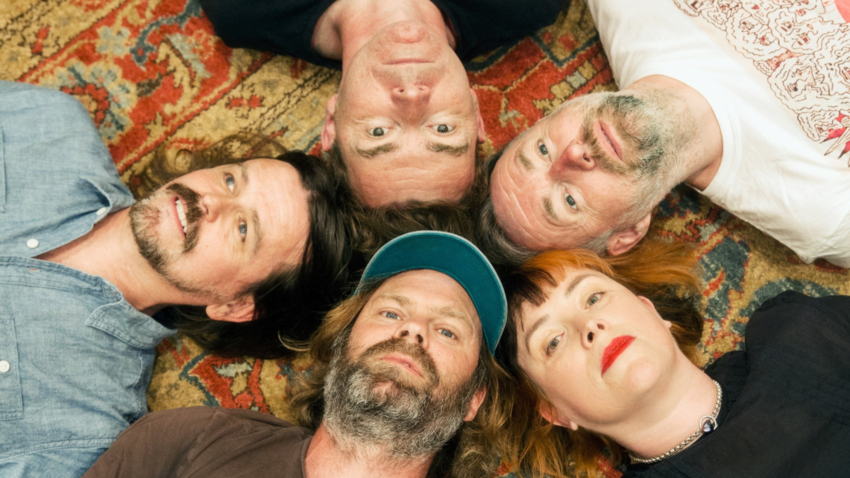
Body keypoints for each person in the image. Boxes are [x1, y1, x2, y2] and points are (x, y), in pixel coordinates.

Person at [0, 81, 348, 477]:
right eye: (232, 180)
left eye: (243, 230)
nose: (212, 200)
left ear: (234, 305)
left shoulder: (84, 430)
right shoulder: (47, 121)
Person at [82, 231, 512, 478]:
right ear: (341, 346)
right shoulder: (192, 437)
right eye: (390, 311)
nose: (412, 330)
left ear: (474, 400)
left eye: (447, 330)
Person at [481, 0, 850, 267]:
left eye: (543, 149)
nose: (573, 155)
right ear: (628, 232)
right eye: (569, 200)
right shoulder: (822, 213)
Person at [499, 241, 850, 478]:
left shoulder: (797, 331)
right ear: (555, 412)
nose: (589, 325)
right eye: (553, 342)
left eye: (593, 298)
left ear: (651, 310)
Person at [198, 0, 566, 207]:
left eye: (379, 132)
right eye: (442, 129)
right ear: (476, 113)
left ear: (332, 122)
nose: (411, 99)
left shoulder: (239, 9)